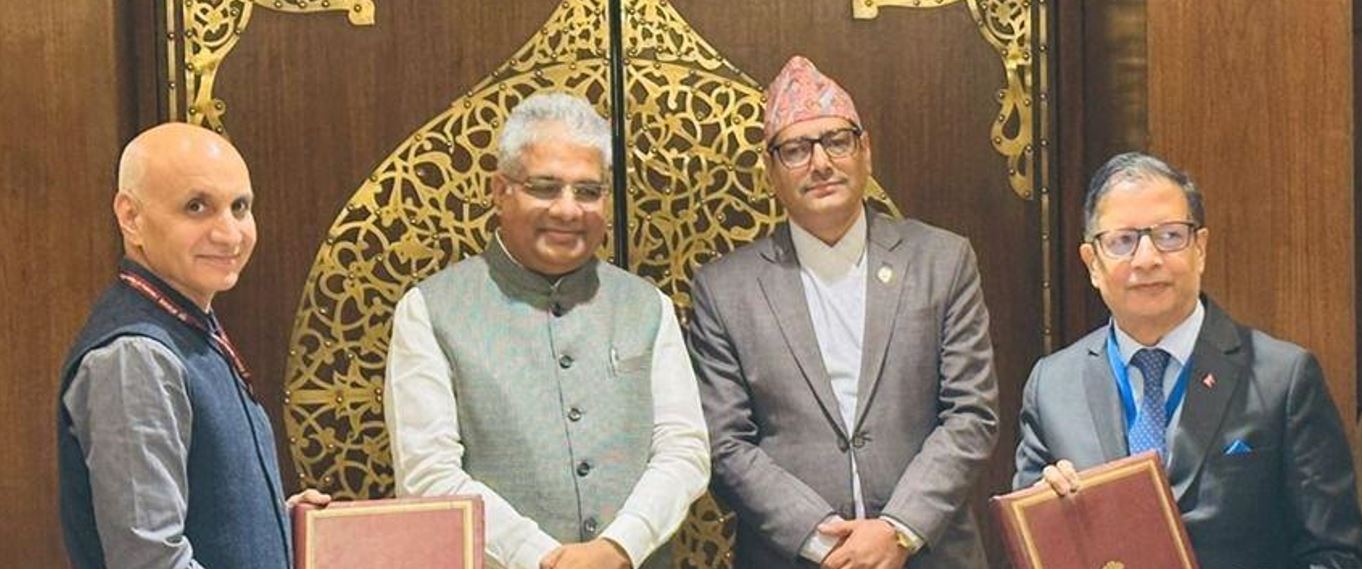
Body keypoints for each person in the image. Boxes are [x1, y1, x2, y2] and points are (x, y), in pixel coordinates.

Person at [687, 55, 999, 568]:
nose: (821, 163)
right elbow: (724, 442)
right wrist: (822, 542)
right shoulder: (725, 289)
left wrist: (898, 530)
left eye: (837, 141)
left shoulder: (942, 261)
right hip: (794, 557)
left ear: (865, 151)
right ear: (770, 171)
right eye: (796, 149)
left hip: (929, 553)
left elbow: (971, 413)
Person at [384, 92, 710, 569]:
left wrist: (620, 547)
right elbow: (427, 475)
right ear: (500, 191)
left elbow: (684, 449)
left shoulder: (647, 305)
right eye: (545, 187)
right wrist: (542, 558)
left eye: (588, 191)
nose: (568, 210)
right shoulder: (429, 311)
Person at [1014, 151, 1362, 568]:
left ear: (1200, 248)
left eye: (1170, 236)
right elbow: (1026, 553)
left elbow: (1334, 553)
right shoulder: (1052, 386)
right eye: (1123, 241)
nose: (1146, 259)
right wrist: (1050, 526)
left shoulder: (1283, 379)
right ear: (1092, 263)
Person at [58, 122, 329, 569]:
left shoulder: (186, 324)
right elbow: (151, 560)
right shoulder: (135, 357)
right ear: (131, 217)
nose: (229, 234)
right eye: (197, 207)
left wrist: (275, 526)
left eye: (240, 207)